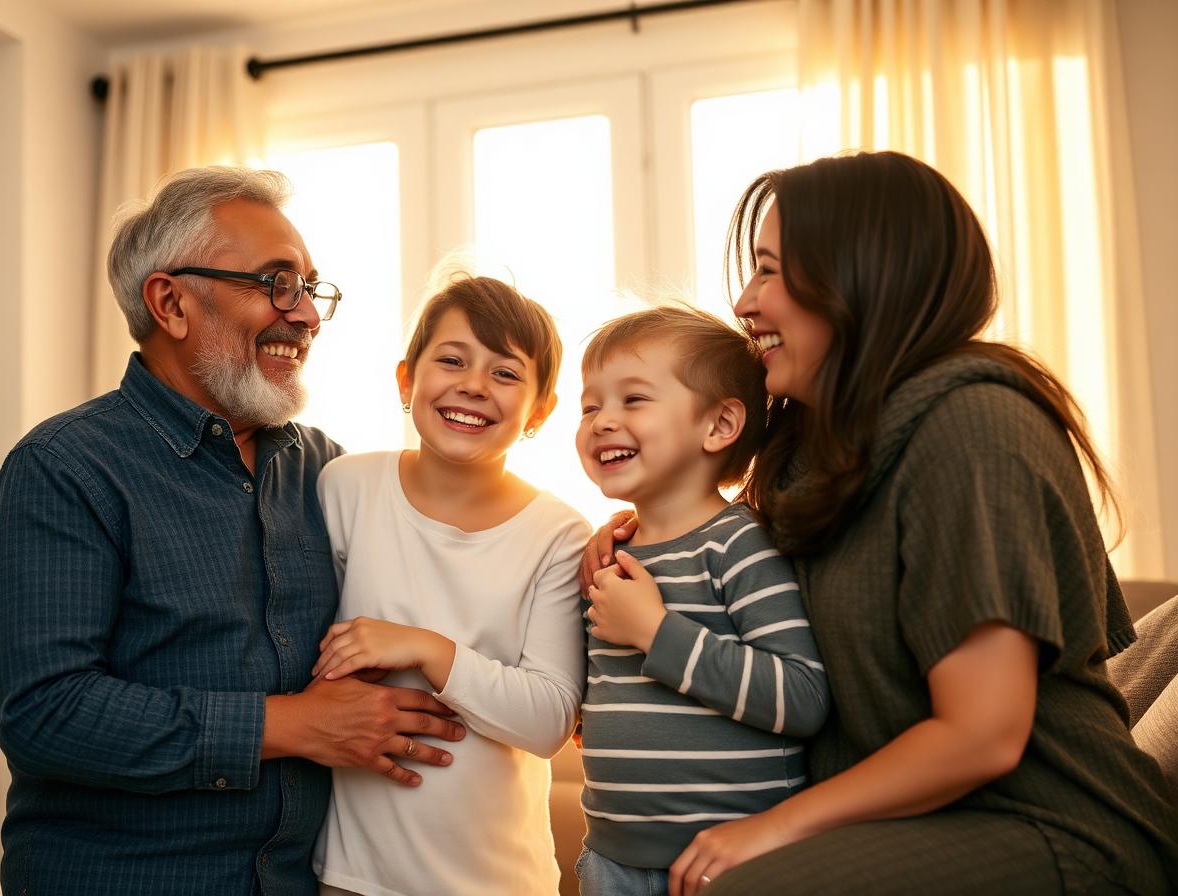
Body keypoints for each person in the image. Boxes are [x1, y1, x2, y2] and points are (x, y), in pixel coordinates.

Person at [587, 152, 1178, 895]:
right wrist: (633, 537)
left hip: (1047, 825)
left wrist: (775, 825)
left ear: (857, 276)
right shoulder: (819, 447)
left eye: (769, 270)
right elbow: (731, 564)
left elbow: (983, 735)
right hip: (911, 823)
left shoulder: (973, 426)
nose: (744, 301)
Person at [0, 166, 465, 896]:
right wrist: (290, 725)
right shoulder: (62, 470)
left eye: (309, 287)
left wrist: (601, 540)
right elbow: (46, 714)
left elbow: (452, 546)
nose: (306, 316)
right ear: (170, 302)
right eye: (275, 282)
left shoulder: (325, 468)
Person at [307, 274, 590, 896]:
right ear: (407, 379)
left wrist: (426, 648)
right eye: (453, 360)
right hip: (353, 877)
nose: (473, 385)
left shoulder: (559, 534)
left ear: (540, 409)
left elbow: (547, 720)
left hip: (499, 881)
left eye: (506, 373)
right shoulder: (345, 488)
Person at [573, 306, 829, 896]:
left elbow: (803, 698)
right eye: (590, 406)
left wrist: (657, 632)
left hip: (731, 863)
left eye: (633, 400)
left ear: (718, 426)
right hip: (611, 860)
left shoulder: (741, 544)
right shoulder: (608, 550)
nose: (602, 421)